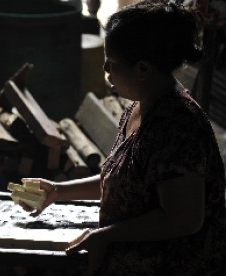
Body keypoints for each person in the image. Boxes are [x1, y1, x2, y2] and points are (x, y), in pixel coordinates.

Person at [20, 0, 226, 275]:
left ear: (142, 69)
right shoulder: (140, 106)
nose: (105, 68)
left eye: (112, 63)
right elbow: (124, 179)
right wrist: (59, 192)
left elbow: (184, 220)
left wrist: (107, 234)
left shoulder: (175, 127)